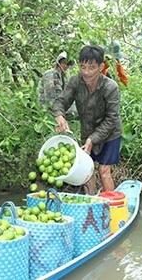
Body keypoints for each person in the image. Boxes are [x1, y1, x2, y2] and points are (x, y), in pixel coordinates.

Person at [52, 45, 122, 193]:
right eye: (83, 67)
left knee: (104, 170)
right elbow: (61, 101)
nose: (86, 72)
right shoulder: (75, 81)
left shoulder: (110, 87)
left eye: (91, 67)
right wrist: (59, 116)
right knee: (87, 170)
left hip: (110, 133)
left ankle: (111, 207)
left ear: (101, 66)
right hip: (88, 129)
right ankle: (91, 205)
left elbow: (111, 119)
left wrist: (92, 139)